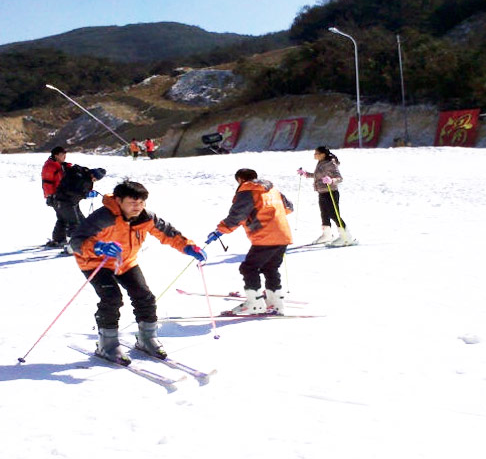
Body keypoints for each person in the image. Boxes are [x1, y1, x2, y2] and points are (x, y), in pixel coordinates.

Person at [69, 180, 206, 364]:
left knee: (145, 296)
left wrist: (189, 248)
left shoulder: (146, 217)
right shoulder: (103, 217)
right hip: (96, 262)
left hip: (125, 262)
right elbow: (76, 242)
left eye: (141, 203)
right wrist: (99, 247)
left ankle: (146, 338)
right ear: (118, 200)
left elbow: (167, 232)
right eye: (133, 203)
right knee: (112, 298)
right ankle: (107, 344)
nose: (138, 207)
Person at [206, 168, 294, 315]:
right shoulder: (272, 188)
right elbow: (288, 208)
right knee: (270, 268)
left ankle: (255, 303)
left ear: (240, 179)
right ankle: (276, 302)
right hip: (283, 234)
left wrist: (221, 230)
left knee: (249, 268)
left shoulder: (248, 190)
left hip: (265, 236)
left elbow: (238, 214)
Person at [297, 146, 355, 246]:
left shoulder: (330, 163)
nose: (314, 155)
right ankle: (326, 235)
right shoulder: (321, 162)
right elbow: (318, 175)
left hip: (331, 192)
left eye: (316, 153)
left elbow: (339, 178)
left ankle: (346, 237)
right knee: (324, 214)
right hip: (322, 192)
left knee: (334, 214)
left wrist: (332, 180)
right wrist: (306, 174)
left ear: (322, 154)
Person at [41, 146, 72, 247]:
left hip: (62, 196)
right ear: (56, 155)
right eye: (62, 155)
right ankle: (59, 239)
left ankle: (59, 239)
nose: (64, 157)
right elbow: (47, 183)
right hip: (56, 196)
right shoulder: (50, 166)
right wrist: (51, 196)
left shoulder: (60, 165)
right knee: (64, 217)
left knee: (62, 217)